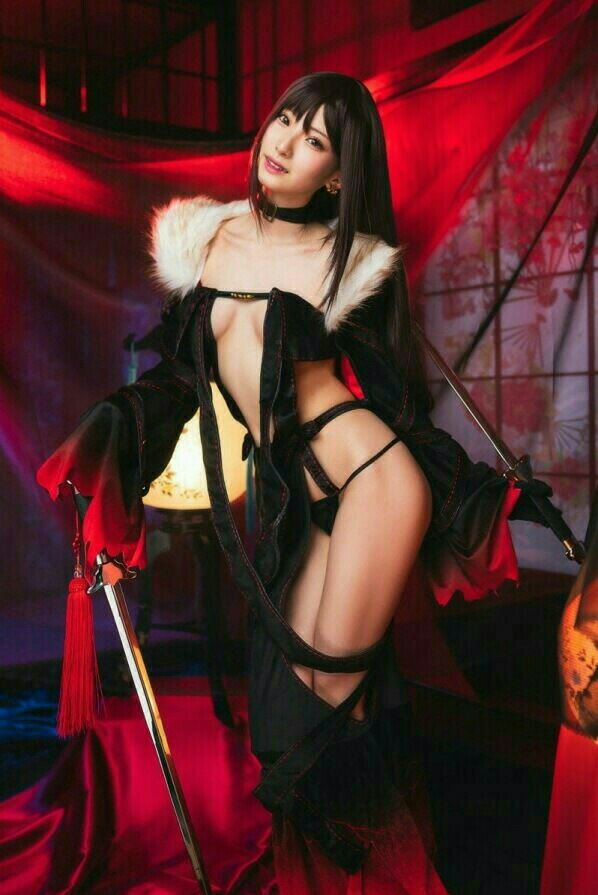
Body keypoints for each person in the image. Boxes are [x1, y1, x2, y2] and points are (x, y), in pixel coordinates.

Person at [37, 72, 555, 893]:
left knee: (332, 712)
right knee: (297, 710)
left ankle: (374, 876)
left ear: (339, 176)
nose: (285, 143)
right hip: (299, 508)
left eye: (315, 140)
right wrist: (112, 431)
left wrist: (480, 496)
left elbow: (397, 408)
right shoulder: (207, 238)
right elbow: (180, 380)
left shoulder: (348, 262)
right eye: (286, 120)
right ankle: (345, 874)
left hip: (377, 484)